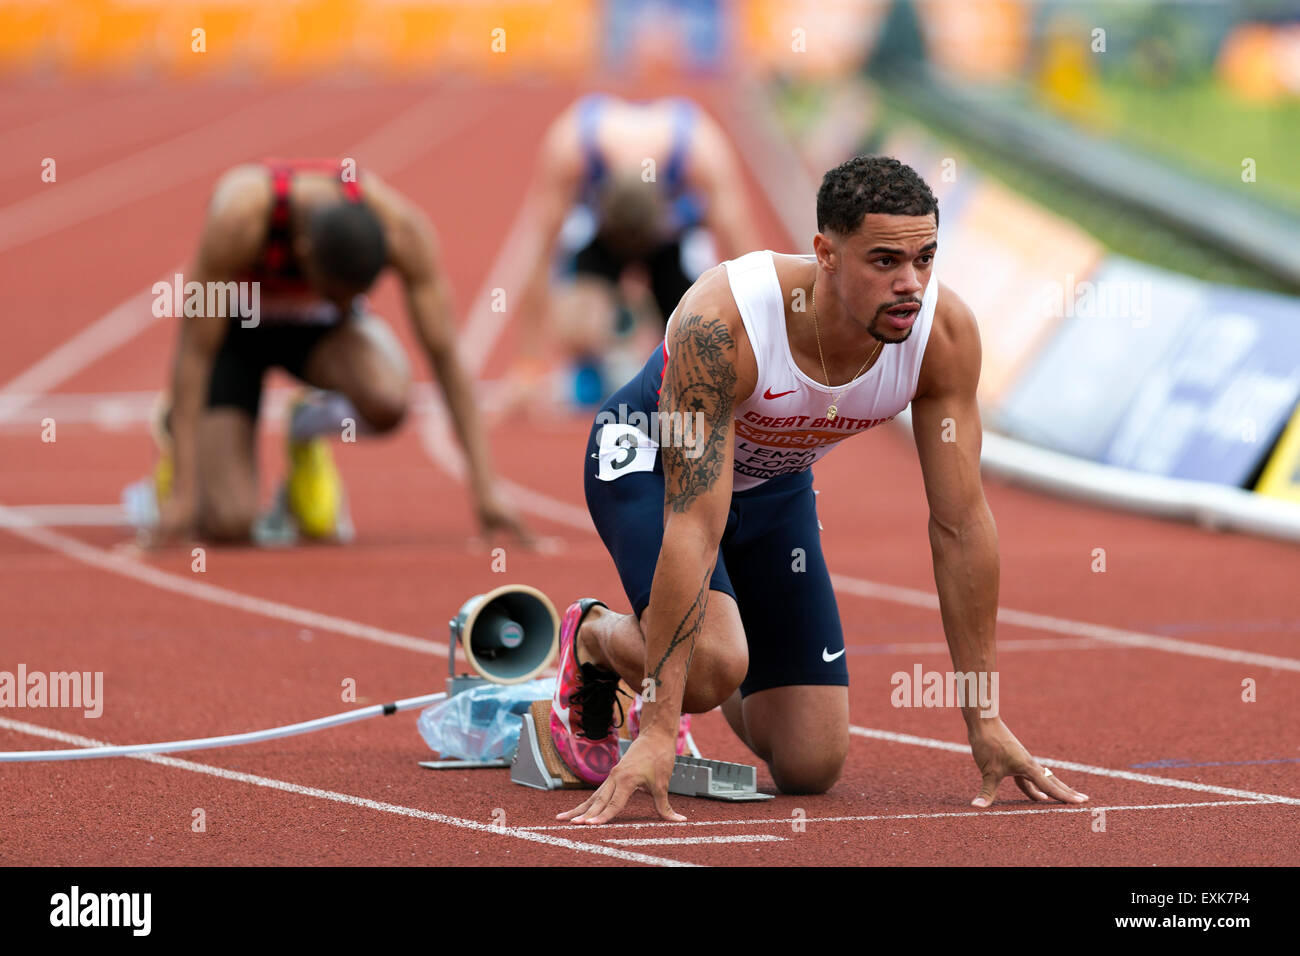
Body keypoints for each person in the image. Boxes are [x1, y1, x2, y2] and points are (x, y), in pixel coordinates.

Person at [548, 156, 1091, 823]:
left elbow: (961, 524)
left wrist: (985, 718)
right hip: (653, 468)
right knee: (712, 666)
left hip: (774, 489)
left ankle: (686, 649)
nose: (910, 285)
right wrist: (660, 726)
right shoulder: (725, 323)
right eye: (885, 261)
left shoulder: (943, 336)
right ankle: (598, 639)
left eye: (925, 259)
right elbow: (694, 522)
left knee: (810, 764)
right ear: (826, 255)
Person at [153, 157, 529, 545]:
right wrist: (183, 493)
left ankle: (306, 427)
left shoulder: (403, 231)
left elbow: (446, 355)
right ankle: (177, 438)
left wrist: (486, 488)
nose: (342, 299)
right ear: (303, 250)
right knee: (229, 523)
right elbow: (195, 349)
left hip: (323, 333)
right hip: (237, 336)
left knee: (389, 399)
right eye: (334, 292)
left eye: (356, 295)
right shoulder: (238, 219)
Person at [509, 94, 760, 407]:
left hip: (672, 243)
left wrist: (757, 364)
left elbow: (749, 265)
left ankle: (675, 360)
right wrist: (528, 366)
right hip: (602, 238)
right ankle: (593, 370)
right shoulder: (571, 148)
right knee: (576, 320)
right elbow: (539, 255)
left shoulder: (701, 152)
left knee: (700, 327)